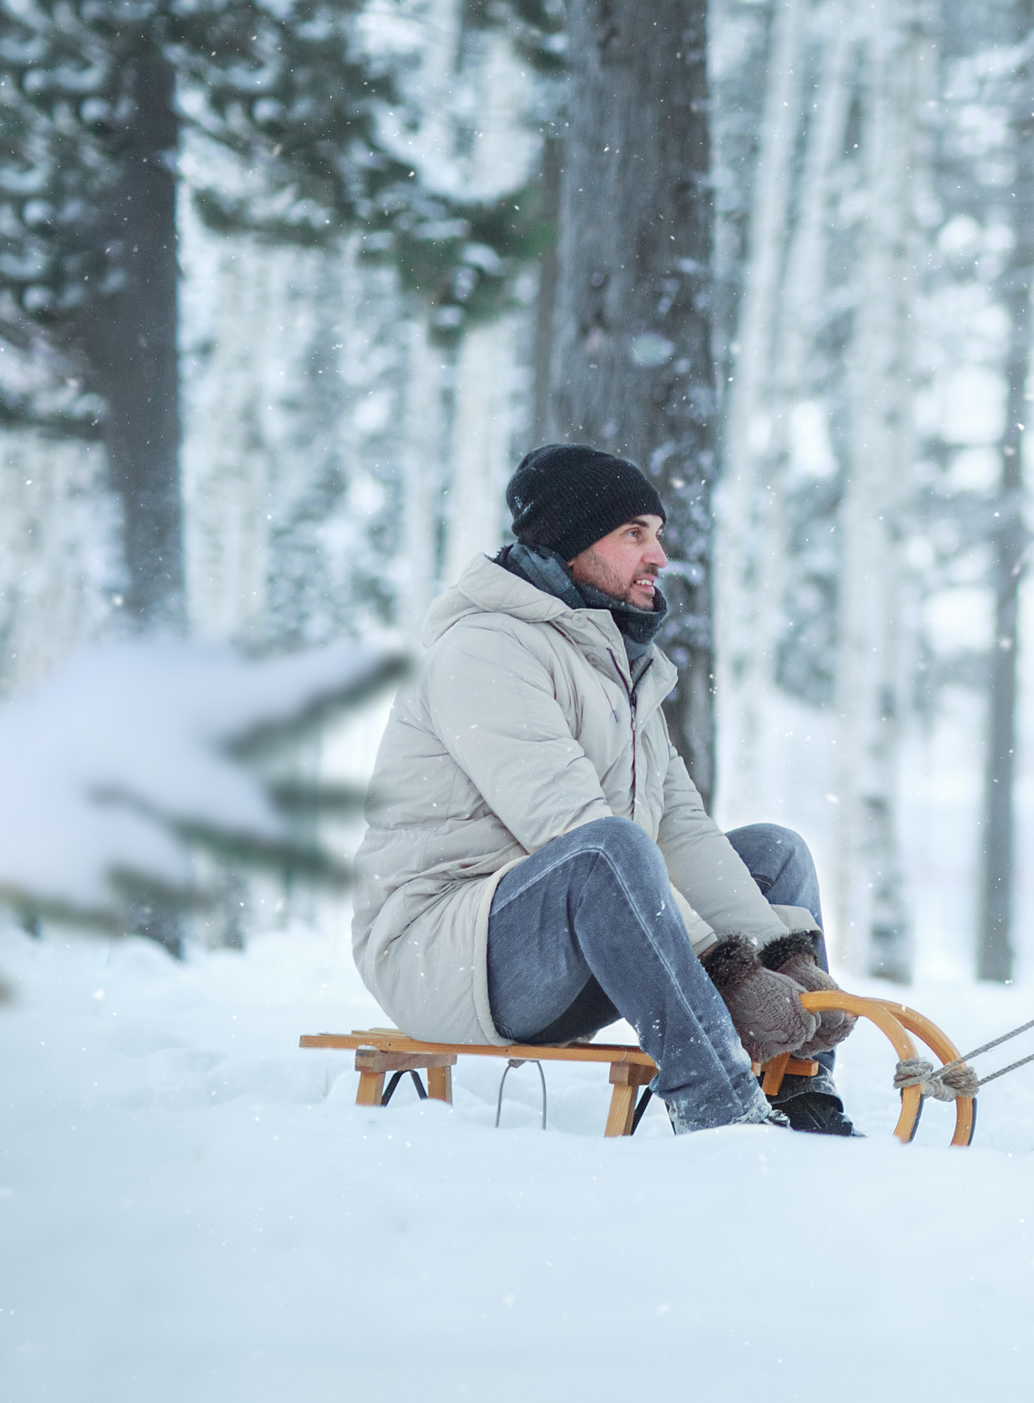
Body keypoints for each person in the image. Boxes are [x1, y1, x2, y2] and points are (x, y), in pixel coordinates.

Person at [351, 444, 858, 1135]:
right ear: (571, 544)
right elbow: (568, 825)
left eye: (658, 534)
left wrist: (781, 958)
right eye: (634, 534)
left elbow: (680, 828)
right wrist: (732, 973)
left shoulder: (620, 665)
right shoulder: (486, 650)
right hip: (447, 952)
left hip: (581, 935)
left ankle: (802, 1098)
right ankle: (721, 1113)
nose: (658, 556)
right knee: (605, 850)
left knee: (776, 853)